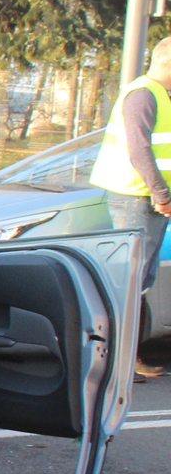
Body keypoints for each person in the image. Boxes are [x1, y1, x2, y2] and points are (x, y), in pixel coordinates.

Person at [89, 36, 171, 379]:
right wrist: (162, 194)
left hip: (145, 198)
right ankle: (116, 363)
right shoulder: (144, 94)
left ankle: (124, 359)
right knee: (129, 281)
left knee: (139, 280)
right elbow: (140, 150)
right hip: (137, 197)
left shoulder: (155, 94)